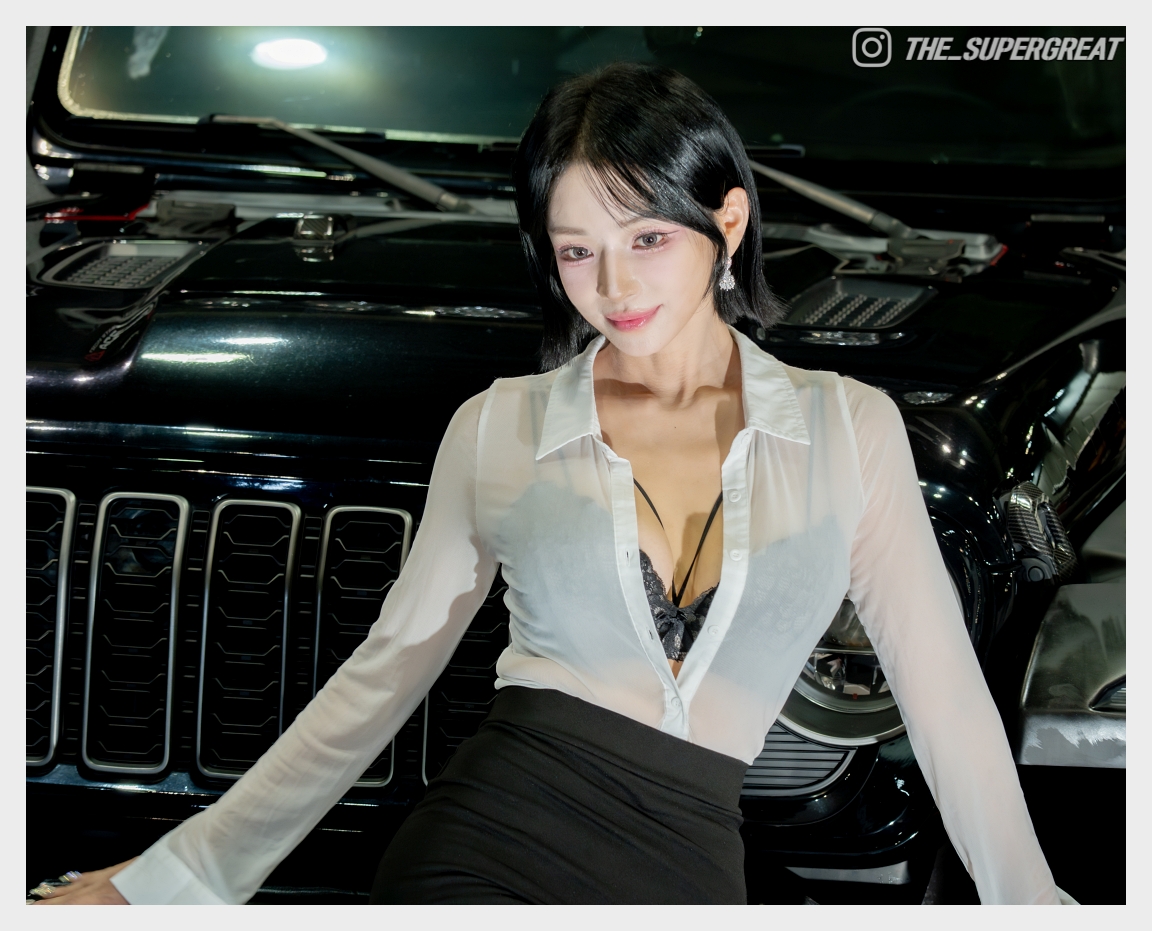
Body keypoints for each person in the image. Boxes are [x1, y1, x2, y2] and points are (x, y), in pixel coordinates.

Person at [34, 62, 1068, 906]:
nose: (613, 286)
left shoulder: (849, 428)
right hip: (485, 849)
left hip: (690, 866)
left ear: (729, 224)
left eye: (648, 239)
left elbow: (946, 702)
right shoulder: (502, 427)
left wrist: (1036, 904)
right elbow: (381, 677)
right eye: (578, 252)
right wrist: (172, 879)